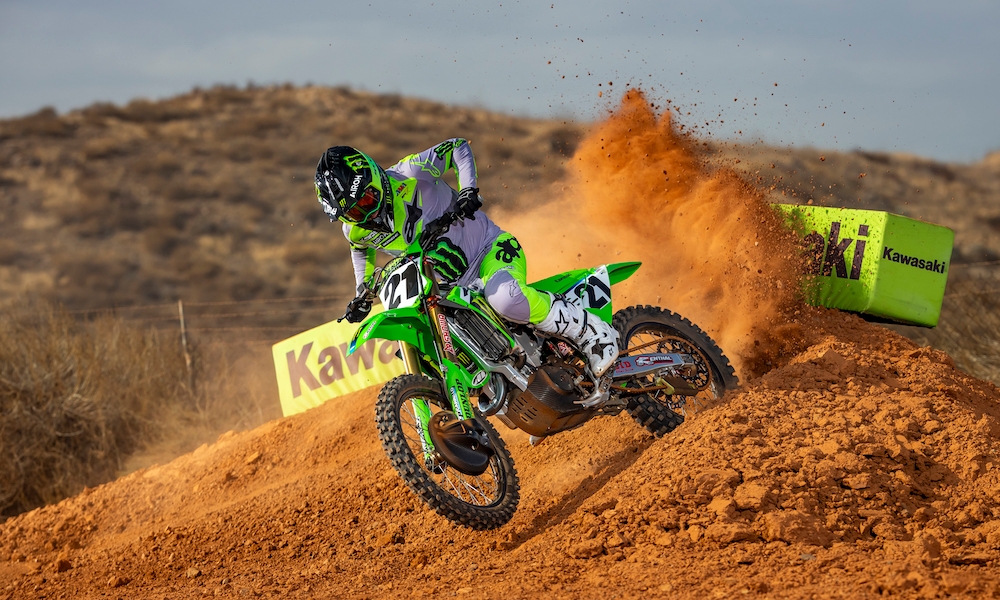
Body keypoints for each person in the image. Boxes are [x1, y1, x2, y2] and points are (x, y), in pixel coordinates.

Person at [314, 139, 620, 376]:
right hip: (449, 287)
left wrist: (468, 190)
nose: (365, 213)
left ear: (373, 175)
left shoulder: (411, 172)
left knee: (505, 300)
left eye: (366, 199)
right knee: (437, 344)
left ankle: (593, 331)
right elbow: (359, 249)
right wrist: (362, 291)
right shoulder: (355, 230)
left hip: (489, 251)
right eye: (353, 212)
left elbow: (457, 147)